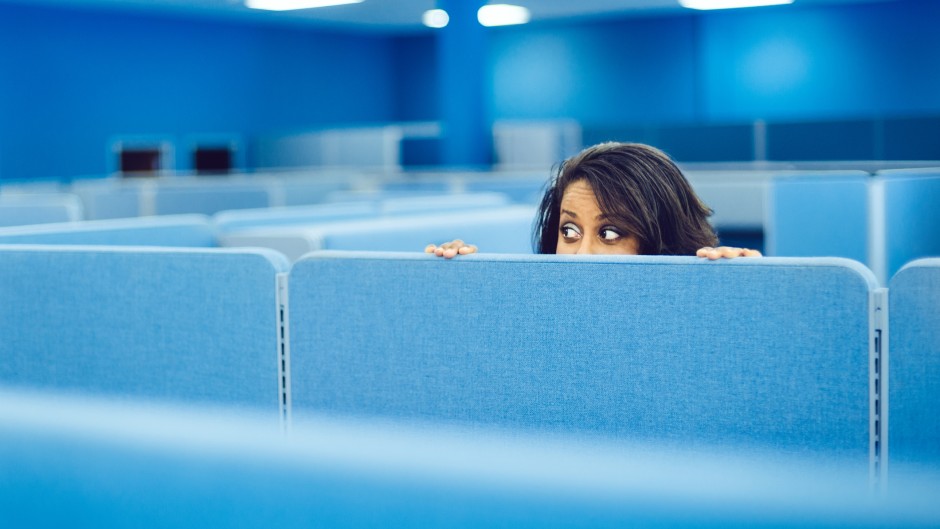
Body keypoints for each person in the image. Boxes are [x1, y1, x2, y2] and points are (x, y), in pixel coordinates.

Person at [425, 142, 762, 260]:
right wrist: (459, 283)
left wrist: (734, 293)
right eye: (569, 231)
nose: (580, 253)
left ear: (663, 240)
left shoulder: (691, 319)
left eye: (610, 233)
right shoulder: (540, 314)